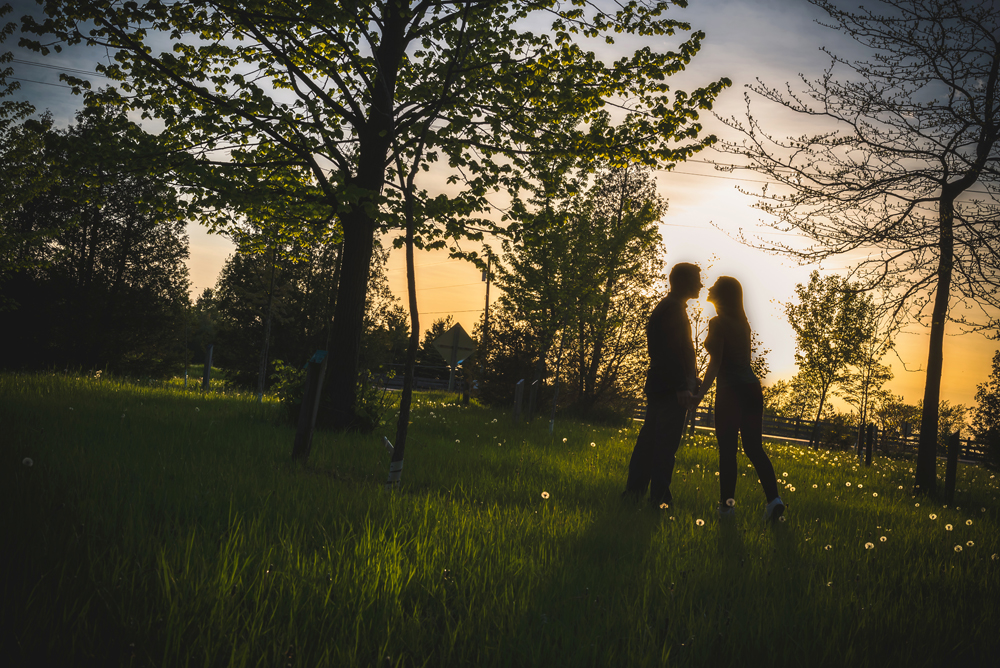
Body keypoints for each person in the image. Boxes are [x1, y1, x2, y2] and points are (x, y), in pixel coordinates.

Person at [696, 276, 784, 522]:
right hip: (752, 390)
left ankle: (727, 508)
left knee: (728, 451)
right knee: (754, 448)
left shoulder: (718, 323)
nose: (709, 288)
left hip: (731, 392)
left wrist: (699, 394)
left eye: (714, 286)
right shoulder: (743, 323)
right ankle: (774, 501)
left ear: (722, 295)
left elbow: (715, 363)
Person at [623, 262, 702, 508]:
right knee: (664, 446)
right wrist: (681, 385)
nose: (701, 284)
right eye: (696, 279)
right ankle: (658, 499)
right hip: (669, 388)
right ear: (683, 281)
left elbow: (675, 351)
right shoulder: (673, 309)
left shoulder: (671, 307)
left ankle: (636, 493)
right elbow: (670, 352)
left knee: (651, 443)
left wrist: (692, 379)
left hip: (664, 385)